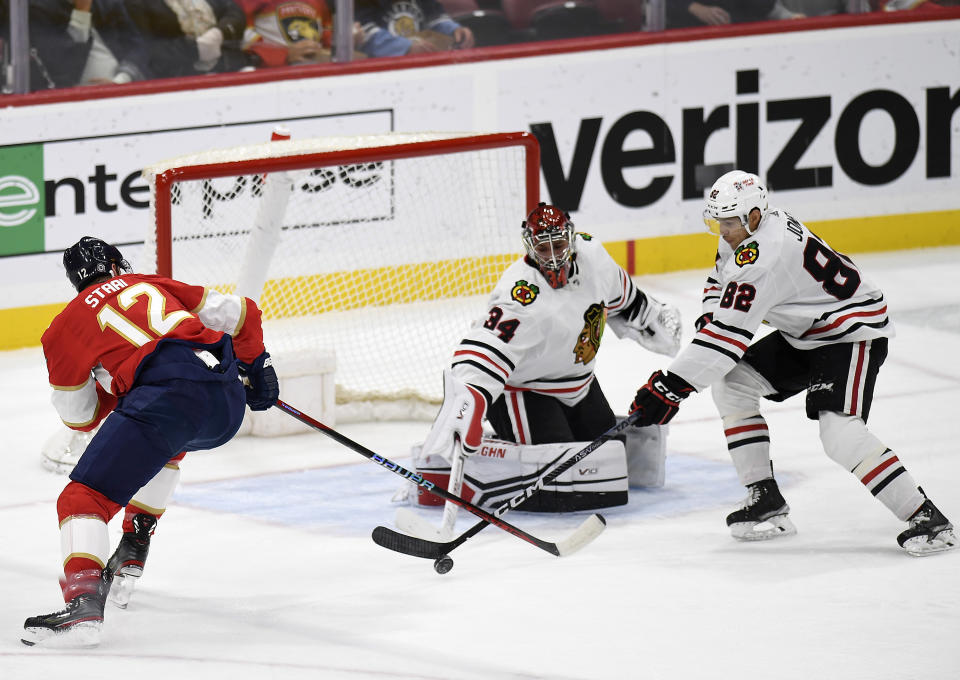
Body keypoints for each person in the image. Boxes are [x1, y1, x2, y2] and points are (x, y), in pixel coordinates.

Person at [627, 170, 956, 556]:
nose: (723, 231)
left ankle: (927, 518)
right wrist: (708, 321)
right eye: (718, 222)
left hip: (851, 333)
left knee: (839, 434)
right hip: (808, 333)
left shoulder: (763, 256)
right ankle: (765, 500)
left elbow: (726, 341)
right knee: (734, 384)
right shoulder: (750, 229)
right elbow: (720, 283)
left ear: (752, 216)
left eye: (729, 223)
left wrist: (670, 387)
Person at [22, 237, 279, 647]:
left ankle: (85, 601)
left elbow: (80, 416)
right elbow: (243, 313)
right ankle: (134, 544)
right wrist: (257, 365)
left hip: (167, 400)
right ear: (115, 263)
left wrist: (111, 385)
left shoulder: (64, 327)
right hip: (225, 401)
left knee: (81, 499)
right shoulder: (150, 282)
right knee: (164, 445)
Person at [419, 203, 681, 481]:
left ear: (571, 238)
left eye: (558, 244)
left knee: (609, 459)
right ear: (530, 248)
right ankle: (488, 463)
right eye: (544, 249)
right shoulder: (520, 295)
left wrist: (653, 317)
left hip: (578, 385)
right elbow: (483, 352)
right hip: (524, 391)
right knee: (560, 472)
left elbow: (624, 297)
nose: (554, 257)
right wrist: (468, 406)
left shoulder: (593, 256)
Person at [25, 0, 151, 90]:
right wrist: (82, 12)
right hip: (76, 99)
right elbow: (62, 68)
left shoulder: (107, 3)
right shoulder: (39, 9)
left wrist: (121, 80)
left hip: (123, 88)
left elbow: (137, 46)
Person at [126, 0, 249, 79]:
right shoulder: (137, 4)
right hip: (183, 79)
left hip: (232, 66)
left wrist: (219, 33)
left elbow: (234, 12)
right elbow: (146, 50)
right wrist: (195, 50)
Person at [356, 0, 474, 57]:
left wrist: (454, 31)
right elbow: (365, 34)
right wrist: (406, 47)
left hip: (420, 66)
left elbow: (435, 17)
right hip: (380, 72)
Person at [238, 0, 337, 66]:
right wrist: (285, 55)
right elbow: (242, 36)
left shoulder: (321, 2)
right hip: (273, 76)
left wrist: (340, 46)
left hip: (315, 71)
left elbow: (326, 33)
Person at [666, 0, 804, 29]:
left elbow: (766, 7)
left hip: (743, 37)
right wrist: (693, 7)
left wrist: (787, 17)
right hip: (692, 37)